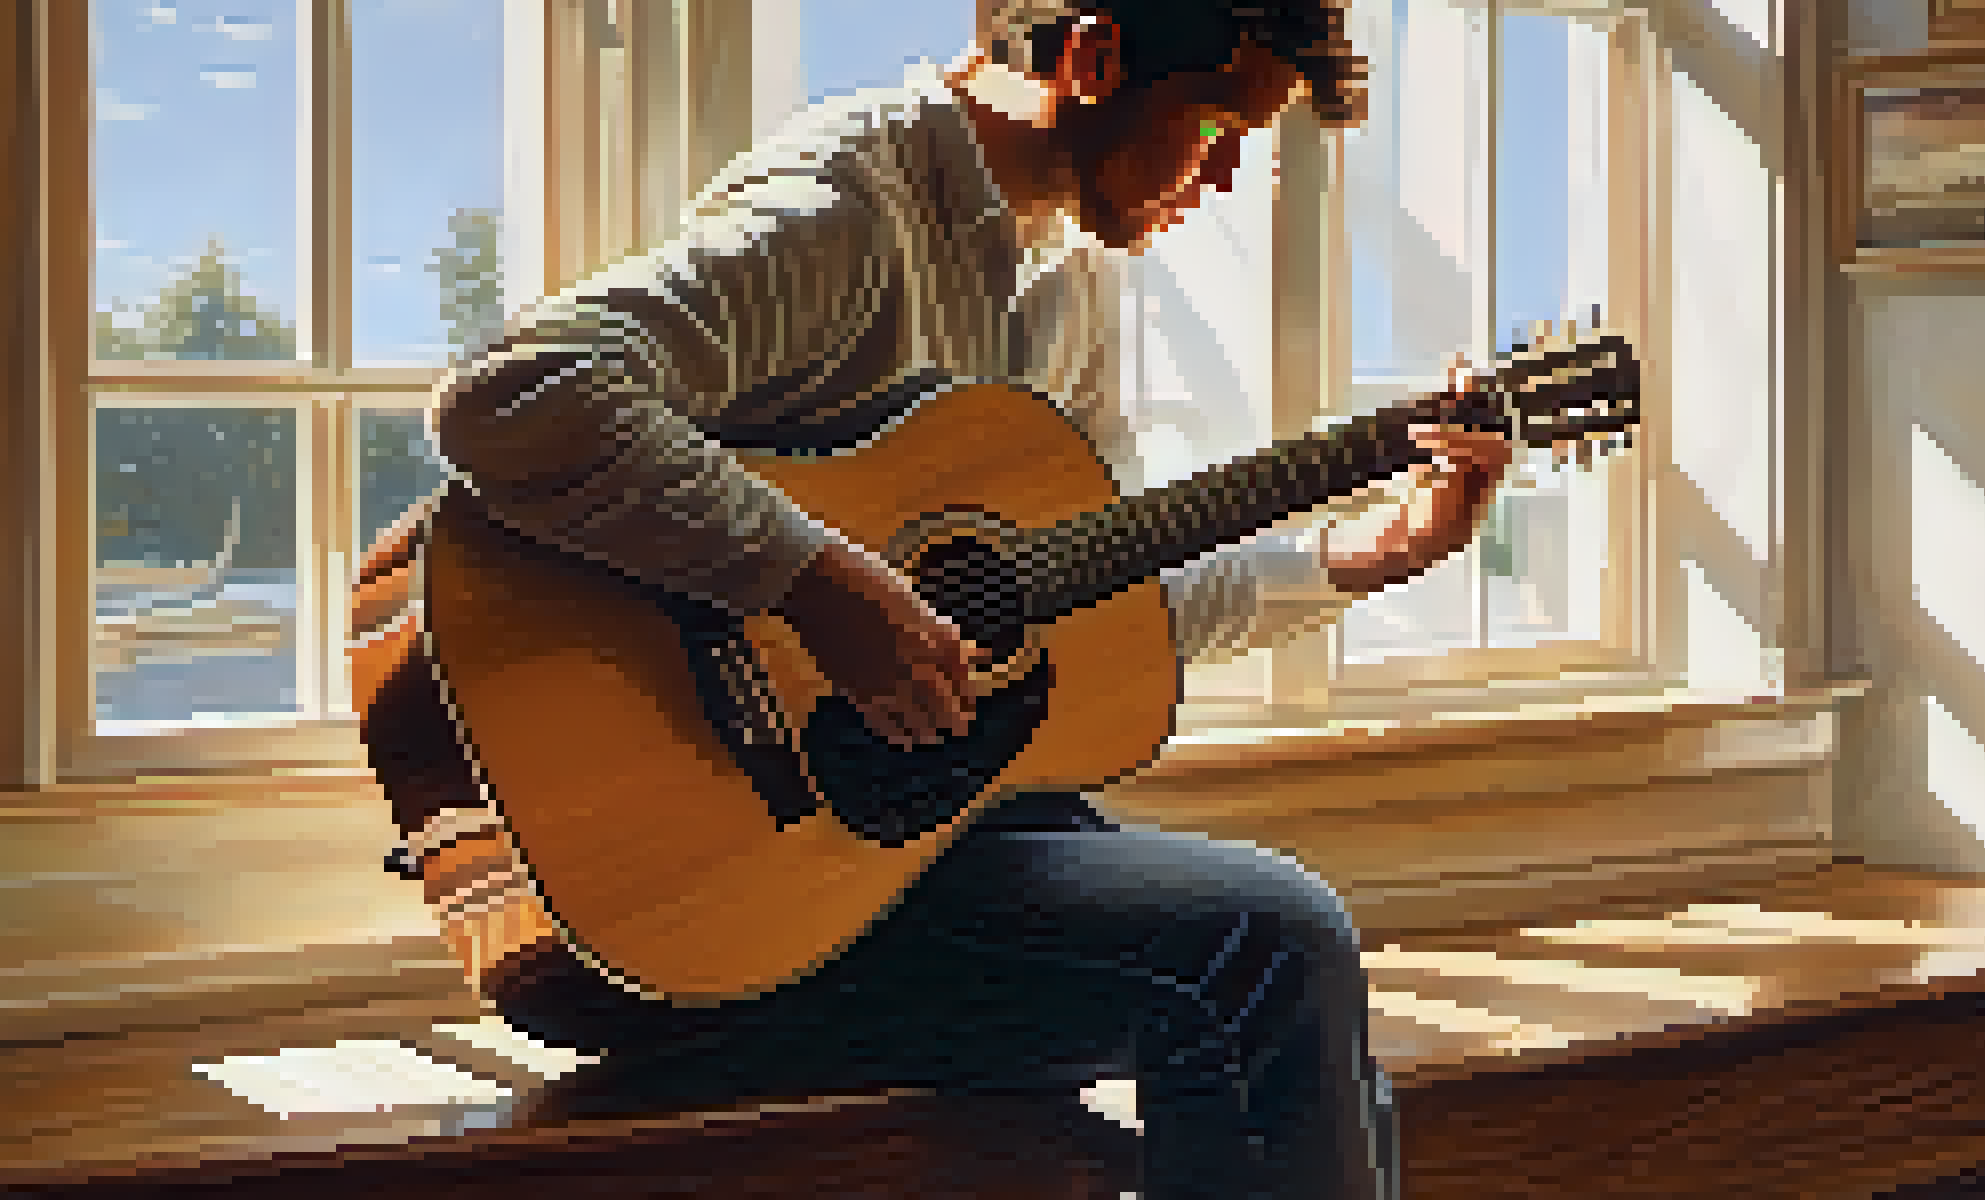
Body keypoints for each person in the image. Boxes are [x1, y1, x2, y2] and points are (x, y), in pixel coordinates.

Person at [380, 4, 1513, 1197]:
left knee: (1292, 1000)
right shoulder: (844, 211)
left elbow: (1106, 605)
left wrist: (1369, 553)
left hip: (912, 850)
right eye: (1214, 127)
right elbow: (514, 393)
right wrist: (814, 584)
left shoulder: (1073, 279)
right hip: (688, 905)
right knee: (1266, 948)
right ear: (1093, 58)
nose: (1227, 177)